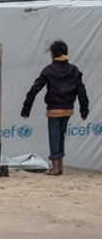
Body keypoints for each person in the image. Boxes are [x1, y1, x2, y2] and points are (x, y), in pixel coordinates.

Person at [21, 40, 89, 176]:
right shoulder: (74, 69)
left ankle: (55, 167)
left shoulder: (49, 70)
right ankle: (61, 164)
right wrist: (84, 108)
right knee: (61, 135)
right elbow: (81, 90)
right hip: (68, 108)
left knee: (54, 136)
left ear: (52, 54)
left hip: (53, 108)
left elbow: (35, 89)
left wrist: (26, 108)